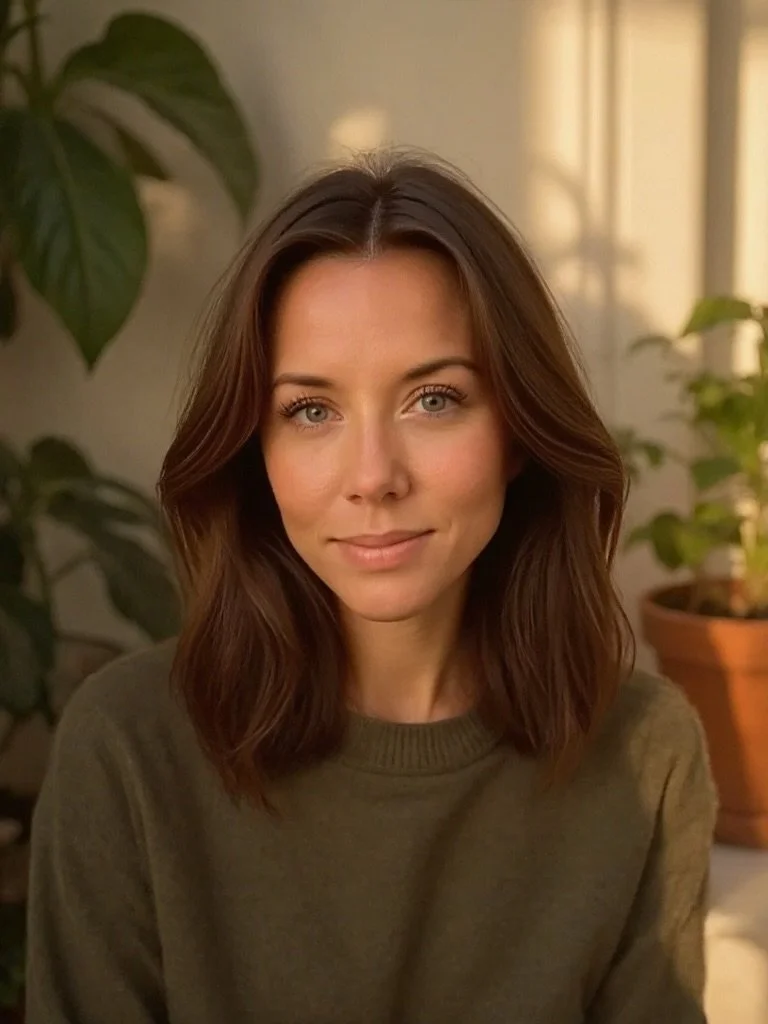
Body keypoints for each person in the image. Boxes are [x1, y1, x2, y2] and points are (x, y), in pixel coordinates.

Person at [26, 152, 717, 1024]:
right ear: (255, 453)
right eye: (311, 411)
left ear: (517, 432)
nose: (372, 477)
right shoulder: (127, 748)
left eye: (433, 399)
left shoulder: (644, 754)